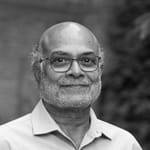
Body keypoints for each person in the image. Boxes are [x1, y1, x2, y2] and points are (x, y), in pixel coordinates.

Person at [0, 22, 142, 150]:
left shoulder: (124, 144)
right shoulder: (7, 142)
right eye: (60, 60)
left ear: (100, 71)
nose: (76, 72)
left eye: (87, 60)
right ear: (38, 72)